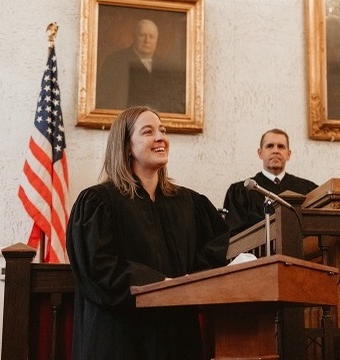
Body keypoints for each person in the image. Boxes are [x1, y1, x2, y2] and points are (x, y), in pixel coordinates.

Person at [66, 106, 229, 360]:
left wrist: (191, 282)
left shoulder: (189, 203)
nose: (160, 137)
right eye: (148, 131)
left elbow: (215, 249)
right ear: (126, 146)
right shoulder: (99, 202)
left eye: (162, 130)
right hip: (121, 336)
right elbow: (98, 267)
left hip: (177, 335)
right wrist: (156, 284)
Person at [223, 128, 318, 236]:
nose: (275, 150)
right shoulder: (240, 191)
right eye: (270, 146)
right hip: (258, 252)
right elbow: (234, 234)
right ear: (260, 153)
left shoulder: (308, 189)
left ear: (288, 154)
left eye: (281, 146)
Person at [96, 19, 186, 113]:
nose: (147, 40)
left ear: (157, 40)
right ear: (134, 37)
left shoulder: (166, 66)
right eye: (142, 35)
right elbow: (104, 98)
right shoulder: (114, 61)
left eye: (151, 37)